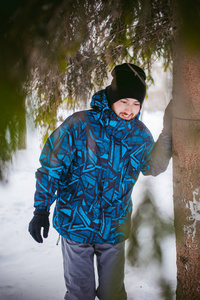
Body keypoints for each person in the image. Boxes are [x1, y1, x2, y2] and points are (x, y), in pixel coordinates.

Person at [28, 63, 172, 300]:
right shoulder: (79, 125)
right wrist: (41, 209)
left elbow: (152, 166)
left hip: (114, 228)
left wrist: (168, 132)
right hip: (76, 226)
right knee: (80, 293)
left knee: (112, 293)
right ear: (112, 96)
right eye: (124, 101)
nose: (130, 109)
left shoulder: (138, 135)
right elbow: (51, 168)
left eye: (136, 103)